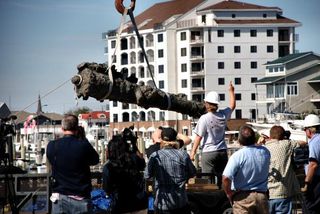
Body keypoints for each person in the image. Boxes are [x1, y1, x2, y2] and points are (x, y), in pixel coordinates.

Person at [46, 114, 99, 214]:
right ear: (77, 128)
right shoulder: (83, 145)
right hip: (80, 198)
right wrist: (83, 138)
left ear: (62, 128)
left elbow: (52, 161)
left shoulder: (52, 146)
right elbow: (95, 160)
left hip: (59, 198)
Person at [190, 81, 236, 188]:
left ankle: (209, 199)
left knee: (207, 179)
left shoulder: (204, 118)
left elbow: (198, 137)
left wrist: (192, 152)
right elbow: (232, 106)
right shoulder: (223, 115)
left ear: (206, 104)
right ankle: (222, 195)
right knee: (222, 177)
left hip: (208, 152)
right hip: (222, 151)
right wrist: (231, 91)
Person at [145, 127, 196, 214]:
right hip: (180, 202)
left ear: (162, 140)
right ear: (176, 139)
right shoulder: (183, 155)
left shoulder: (154, 156)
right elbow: (193, 173)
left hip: (162, 203)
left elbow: (147, 176)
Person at [222, 125, 270, 214]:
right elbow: (257, 148)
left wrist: (229, 193)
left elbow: (226, 178)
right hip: (262, 196)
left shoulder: (237, 156)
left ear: (239, 140)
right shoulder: (265, 152)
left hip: (242, 198)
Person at [102, 128, 148, 214]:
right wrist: (134, 146)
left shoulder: (108, 167)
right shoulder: (133, 158)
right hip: (139, 203)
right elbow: (143, 164)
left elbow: (107, 188)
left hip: (121, 204)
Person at [262, 125, 306, 214]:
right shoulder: (286, 144)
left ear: (270, 136)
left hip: (266, 193)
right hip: (283, 192)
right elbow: (303, 142)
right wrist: (287, 140)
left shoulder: (263, 148)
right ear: (282, 136)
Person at [302, 114, 320, 214]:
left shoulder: (314, 141)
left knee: (309, 208)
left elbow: (313, 164)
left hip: (316, 180)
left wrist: (307, 183)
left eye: (305, 129)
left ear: (309, 130)